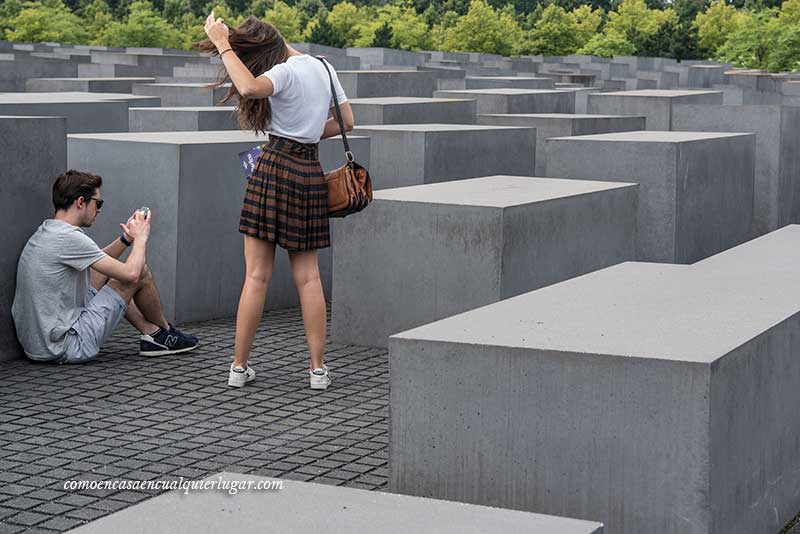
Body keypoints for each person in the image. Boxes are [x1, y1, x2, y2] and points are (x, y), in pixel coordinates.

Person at [199, 14, 355, 389]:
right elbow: (348, 121)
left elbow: (250, 88)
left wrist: (222, 43)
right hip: (308, 171)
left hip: (271, 168)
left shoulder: (285, 72)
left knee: (256, 275)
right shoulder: (324, 67)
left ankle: (239, 368)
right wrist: (309, 130)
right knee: (309, 276)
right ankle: (318, 370)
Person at [12, 169, 199, 364]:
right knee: (140, 272)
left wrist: (126, 239)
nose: (99, 209)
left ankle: (152, 333)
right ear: (81, 202)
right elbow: (132, 274)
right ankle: (166, 332)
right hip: (66, 346)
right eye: (97, 203)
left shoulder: (48, 230)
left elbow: (99, 262)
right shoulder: (70, 238)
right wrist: (141, 237)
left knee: (108, 272)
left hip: (37, 345)